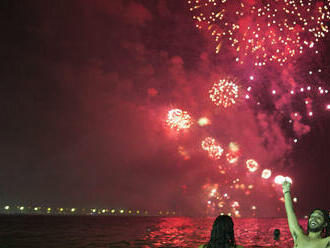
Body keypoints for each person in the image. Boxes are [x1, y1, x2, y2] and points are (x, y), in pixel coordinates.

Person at [282, 180, 330, 248]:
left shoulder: (327, 242)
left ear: (325, 224)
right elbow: (290, 212)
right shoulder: (299, 236)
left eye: (319, 217)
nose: (314, 219)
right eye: (312, 216)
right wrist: (286, 190)